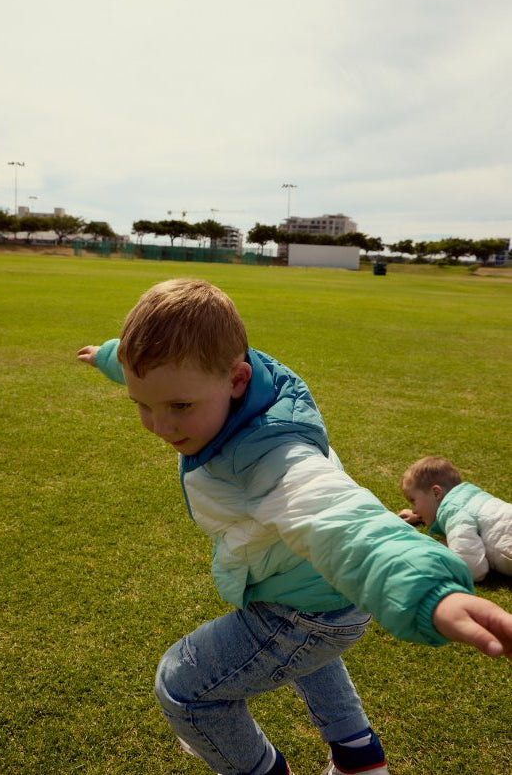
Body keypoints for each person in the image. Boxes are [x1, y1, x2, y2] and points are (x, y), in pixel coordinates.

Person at [77, 279, 512, 775]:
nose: (160, 424)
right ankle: (359, 759)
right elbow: (148, 368)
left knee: (183, 687)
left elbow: (340, 518)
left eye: (179, 406)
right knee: (309, 658)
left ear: (237, 380)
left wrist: (431, 591)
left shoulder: (273, 454)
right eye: (142, 404)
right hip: (318, 591)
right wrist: (109, 358)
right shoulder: (229, 373)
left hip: (307, 607)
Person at [398, 456, 512, 582]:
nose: (413, 510)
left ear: (436, 493)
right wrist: (419, 516)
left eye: (413, 501)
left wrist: (445, 548)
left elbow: (472, 569)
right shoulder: (471, 500)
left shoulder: (455, 512)